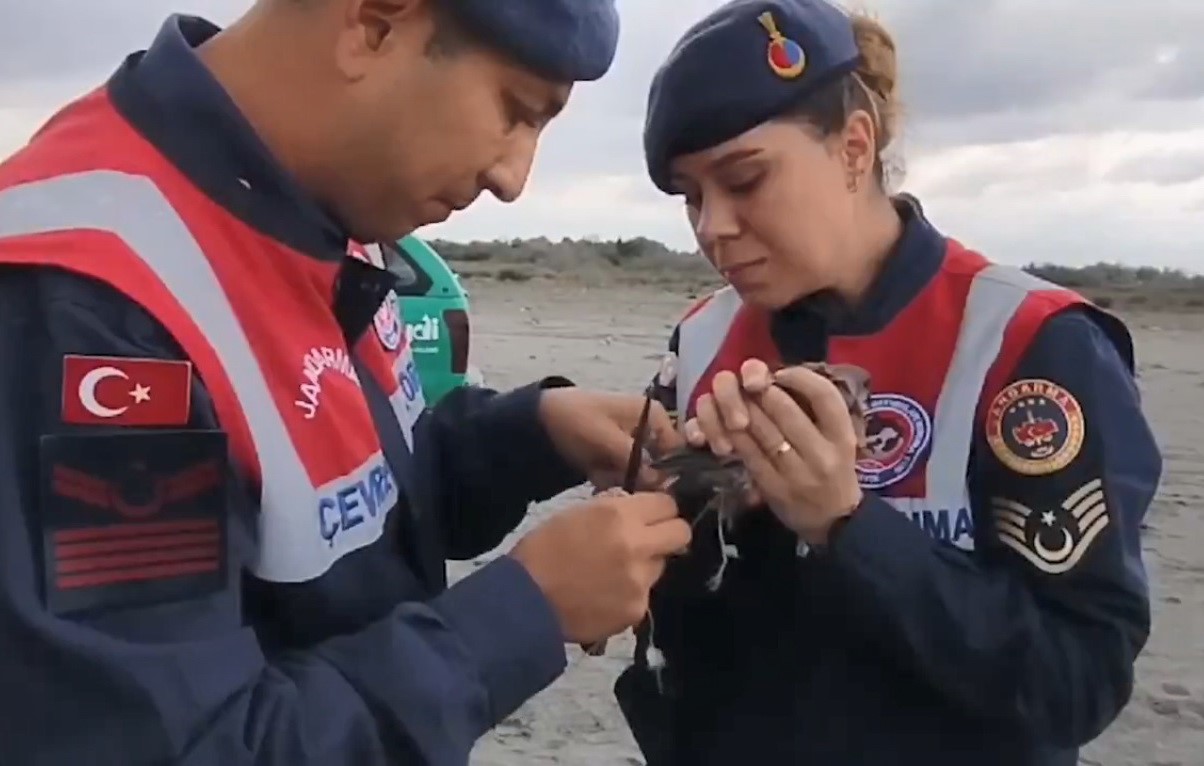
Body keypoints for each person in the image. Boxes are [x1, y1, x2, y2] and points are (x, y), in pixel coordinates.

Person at [0, 0, 693, 764]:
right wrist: (521, 616)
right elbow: (176, 745)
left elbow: (363, 511)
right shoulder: (95, 308)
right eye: (517, 112)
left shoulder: (323, 214)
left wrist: (533, 432)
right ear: (374, 22)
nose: (513, 178)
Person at [612, 1, 1162, 764]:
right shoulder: (704, 337)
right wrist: (685, 517)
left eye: (744, 181)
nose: (712, 227)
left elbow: (1077, 678)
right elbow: (685, 629)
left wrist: (845, 524)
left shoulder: (1028, 345)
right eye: (690, 196)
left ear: (854, 148)